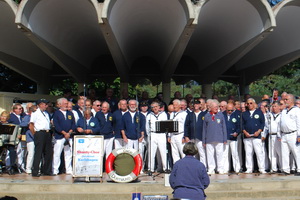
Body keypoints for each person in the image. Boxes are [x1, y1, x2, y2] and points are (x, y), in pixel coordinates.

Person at [52, 98, 76, 175]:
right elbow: (56, 125)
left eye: (67, 103)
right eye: (65, 103)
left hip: (69, 137)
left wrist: (69, 133)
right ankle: (55, 170)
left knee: (68, 154)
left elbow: (73, 124)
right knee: (57, 153)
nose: (66, 105)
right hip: (60, 136)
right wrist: (64, 133)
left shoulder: (70, 113)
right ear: (60, 104)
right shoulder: (56, 113)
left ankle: (68, 169)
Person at [29, 99, 53, 177]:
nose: (44, 106)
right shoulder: (35, 113)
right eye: (42, 104)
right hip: (40, 133)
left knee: (48, 152)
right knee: (38, 153)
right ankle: (35, 171)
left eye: (45, 104)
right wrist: (35, 134)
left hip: (47, 132)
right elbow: (31, 125)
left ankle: (46, 170)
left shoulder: (46, 113)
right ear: (39, 105)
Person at [242, 98, 266, 174]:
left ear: (254, 104)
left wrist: (259, 131)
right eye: (248, 103)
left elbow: (262, 123)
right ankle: (249, 168)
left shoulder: (259, 112)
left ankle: (261, 168)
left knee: (259, 153)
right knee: (248, 153)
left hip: (256, 136)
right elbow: (242, 125)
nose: (249, 105)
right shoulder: (244, 113)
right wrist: (245, 132)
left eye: (251, 103)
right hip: (247, 137)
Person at [202, 101, 227, 175]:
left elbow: (224, 127)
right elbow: (204, 129)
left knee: (220, 154)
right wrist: (204, 140)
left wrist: (224, 138)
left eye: (217, 107)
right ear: (210, 108)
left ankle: (220, 168)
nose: (216, 108)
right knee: (210, 155)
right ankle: (211, 169)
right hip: (209, 139)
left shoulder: (221, 115)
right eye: (215, 107)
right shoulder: (206, 116)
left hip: (219, 138)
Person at [279, 94, 300, 176]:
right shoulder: (284, 111)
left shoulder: (296, 110)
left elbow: (299, 123)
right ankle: (286, 169)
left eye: (286, 99)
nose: (285, 101)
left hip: (293, 133)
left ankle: (299, 169)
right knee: (284, 153)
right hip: (284, 134)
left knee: (296, 152)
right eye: (284, 99)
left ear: (291, 100)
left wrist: (299, 135)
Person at [184, 100, 208, 167]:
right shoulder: (190, 114)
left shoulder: (203, 114)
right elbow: (186, 125)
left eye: (197, 104)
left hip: (200, 137)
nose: (196, 106)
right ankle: (193, 167)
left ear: (200, 105)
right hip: (192, 137)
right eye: (195, 104)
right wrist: (186, 136)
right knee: (193, 153)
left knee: (202, 153)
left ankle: (203, 167)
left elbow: (206, 126)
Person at [146, 102, 168, 172]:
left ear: (159, 107)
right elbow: (147, 127)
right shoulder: (149, 115)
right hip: (153, 134)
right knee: (151, 152)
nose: (155, 108)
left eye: (156, 106)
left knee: (163, 151)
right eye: (153, 107)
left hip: (161, 134)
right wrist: (149, 135)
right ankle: (151, 168)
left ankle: (165, 168)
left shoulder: (163, 114)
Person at [223, 103, 241, 173]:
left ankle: (237, 168)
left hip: (233, 137)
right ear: (226, 109)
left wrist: (237, 132)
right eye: (228, 110)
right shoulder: (222, 115)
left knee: (234, 153)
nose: (230, 112)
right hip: (225, 137)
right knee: (225, 154)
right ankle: (225, 168)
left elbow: (239, 125)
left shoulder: (236, 115)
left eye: (231, 110)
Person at [169, 99, 187, 163]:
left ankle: (185, 167)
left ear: (179, 105)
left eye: (176, 105)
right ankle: (176, 167)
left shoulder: (184, 114)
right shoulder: (172, 114)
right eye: (173, 105)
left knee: (182, 152)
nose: (174, 106)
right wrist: (169, 136)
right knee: (174, 153)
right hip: (173, 135)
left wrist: (184, 136)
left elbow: (185, 125)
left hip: (180, 134)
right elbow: (170, 125)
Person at [268, 101, 282, 173]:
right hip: (271, 135)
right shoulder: (269, 115)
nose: (274, 108)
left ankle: (281, 167)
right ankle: (273, 168)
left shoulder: (282, 115)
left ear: (279, 107)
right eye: (273, 106)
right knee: (271, 153)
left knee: (280, 152)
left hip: (278, 136)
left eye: (275, 106)